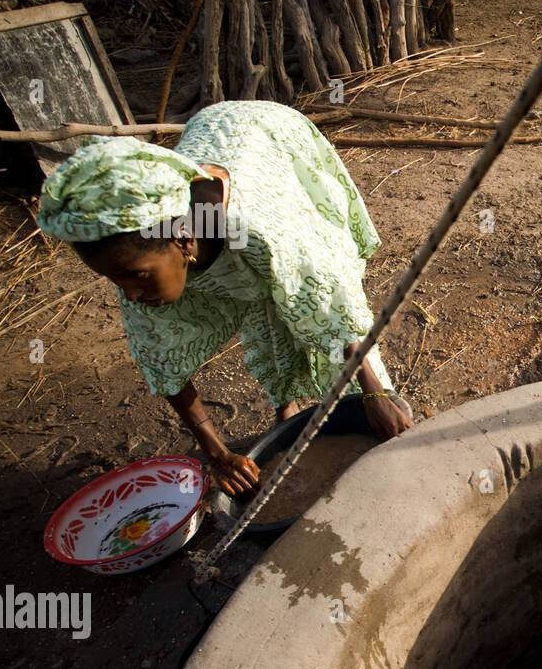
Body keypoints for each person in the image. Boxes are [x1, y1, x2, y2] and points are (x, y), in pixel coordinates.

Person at [36, 100, 413, 496]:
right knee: (259, 299)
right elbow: (161, 357)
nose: (129, 294)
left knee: (294, 296)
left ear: (183, 240)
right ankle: (287, 407)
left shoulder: (257, 229)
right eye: (116, 280)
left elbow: (328, 307)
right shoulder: (139, 245)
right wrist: (216, 454)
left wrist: (372, 392)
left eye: (138, 277)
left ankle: (346, 407)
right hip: (207, 144)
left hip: (271, 138)